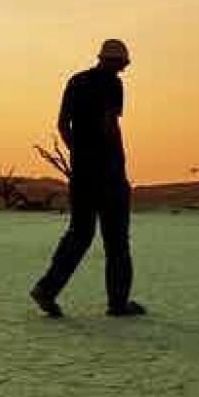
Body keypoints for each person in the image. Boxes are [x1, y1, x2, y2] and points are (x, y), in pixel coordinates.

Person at [30, 39, 147, 318]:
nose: (124, 68)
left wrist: (79, 154)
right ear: (115, 61)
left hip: (83, 172)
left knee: (80, 233)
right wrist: (111, 163)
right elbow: (109, 124)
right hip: (108, 172)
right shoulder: (113, 85)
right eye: (122, 63)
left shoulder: (76, 81)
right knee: (116, 239)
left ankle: (46, 289)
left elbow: (62, 124)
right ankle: (118, 303)